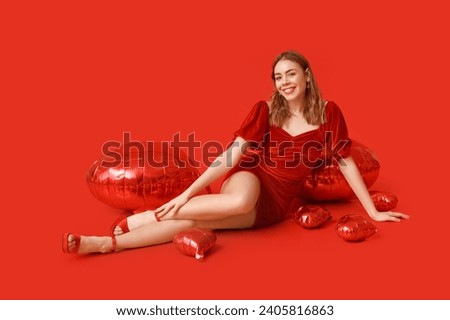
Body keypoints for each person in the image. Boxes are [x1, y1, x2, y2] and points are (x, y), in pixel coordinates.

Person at [62, 50, 410, 254]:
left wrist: (373, 213)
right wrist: (186, 193)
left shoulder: (329, 112)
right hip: (250, 178)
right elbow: (228, 155)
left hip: (276, 203)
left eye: (291, 74)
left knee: (193, 222)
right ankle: (146, 216)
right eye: (277, 76)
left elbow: (346, 162)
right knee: (236, 203)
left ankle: (106, 245)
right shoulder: (265, 109)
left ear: (307, 75)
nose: (284, 82)